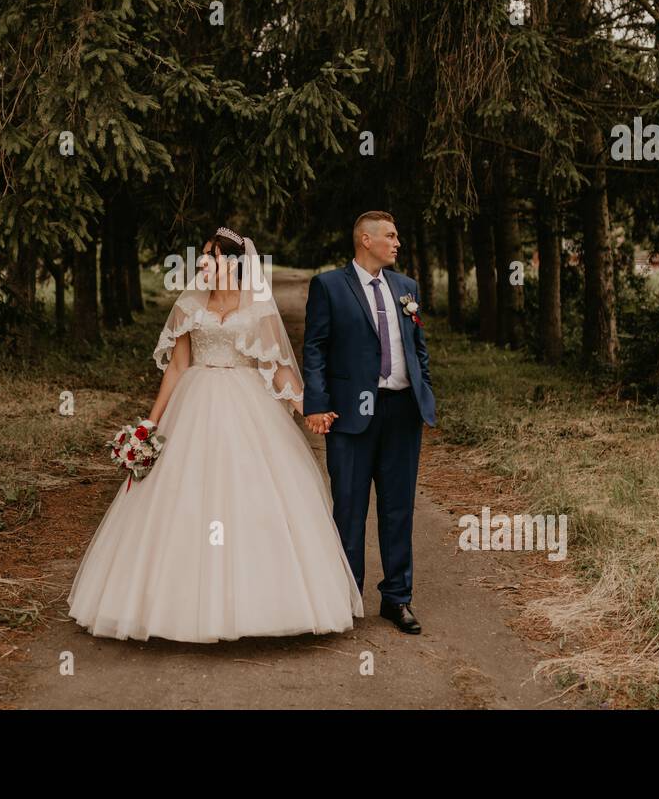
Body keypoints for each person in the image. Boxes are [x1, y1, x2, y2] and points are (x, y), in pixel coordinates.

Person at [66, 226, 364, 643]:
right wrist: (148, 426)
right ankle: (168, 605)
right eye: (204, 255)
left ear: (236, 265)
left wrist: (309, 409)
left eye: (213, 256)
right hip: (194, 403)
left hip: (246, 405)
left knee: (256, 497)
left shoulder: (257, 309)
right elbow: (176, 367)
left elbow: (277, 370)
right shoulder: (189, 306)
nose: (205, 262)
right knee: (179, 498)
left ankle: (262, 606)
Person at [301, 211, 437, 634]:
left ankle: (397, 599)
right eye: (390, 236)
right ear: (365, 239)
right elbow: (315, 350)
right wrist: (316, 404)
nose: (397, 243)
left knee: (398, 510)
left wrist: (424, 391)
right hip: (351, 412)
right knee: (350, 508)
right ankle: (346, 597)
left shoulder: (406, 288)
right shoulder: (329, 286)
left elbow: (419, 348)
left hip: (401, 412)